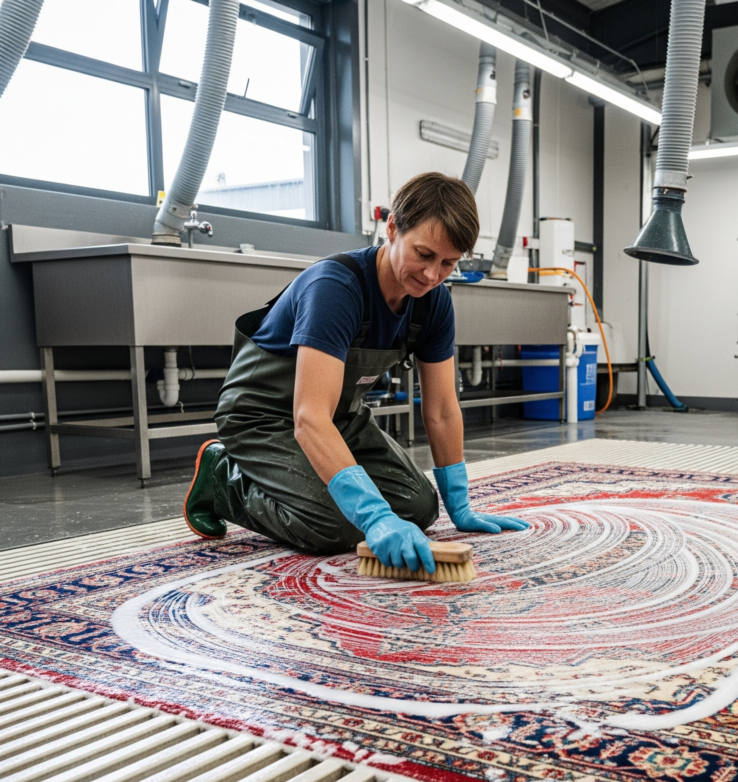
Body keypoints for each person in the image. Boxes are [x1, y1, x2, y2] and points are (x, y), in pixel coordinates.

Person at [182, 171, 527, 573]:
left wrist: (460, 503)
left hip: (341, 419)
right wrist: (375, 517)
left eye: (449, 262)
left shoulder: (433, 304)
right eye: (424, 254)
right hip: (262, 417)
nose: (433, 275)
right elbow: (309, 418)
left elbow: (442, 409)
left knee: (419, 508)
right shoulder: (336, 288)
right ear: (392, 227)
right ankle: (225, 479)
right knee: (336, 526)